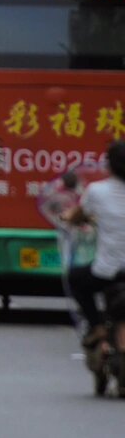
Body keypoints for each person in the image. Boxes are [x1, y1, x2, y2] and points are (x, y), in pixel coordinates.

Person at [65, 140, 125, 342]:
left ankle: (96, 325)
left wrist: (69, 217)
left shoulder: (96, 191)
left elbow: (77, 216)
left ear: (109, 165)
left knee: (75, 278)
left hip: (107, 273)